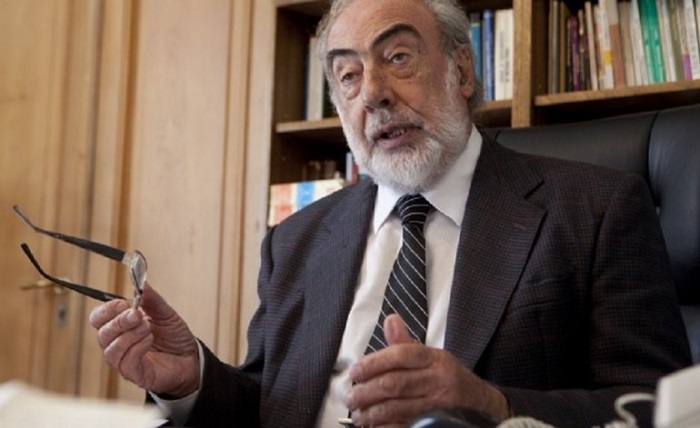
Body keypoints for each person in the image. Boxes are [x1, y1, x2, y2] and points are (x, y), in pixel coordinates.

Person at [89, 0, 693, 426]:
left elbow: (654, 409)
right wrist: (190, 378)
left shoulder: (594, 209)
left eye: (398, 57)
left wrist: (491, 406)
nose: (373, 92)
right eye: (348, 76)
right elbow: (271, 407)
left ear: (461, 71)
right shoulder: (295, 242)